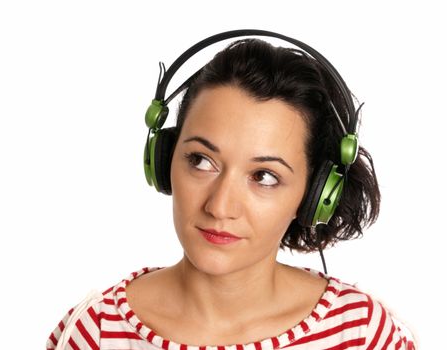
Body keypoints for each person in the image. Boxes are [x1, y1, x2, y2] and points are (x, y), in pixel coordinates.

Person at [47, 30, 416, 350]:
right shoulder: (93, 332)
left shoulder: (362, 335)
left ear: (316, 196)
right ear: (163, 161)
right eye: (201, 161)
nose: (220, 206)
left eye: (265, 176)